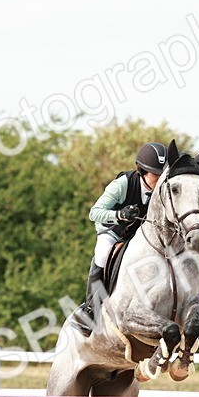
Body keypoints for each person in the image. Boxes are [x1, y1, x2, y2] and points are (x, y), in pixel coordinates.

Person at [71, 142, 167, 335]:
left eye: (162, 174)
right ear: (142, 171)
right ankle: (90, 309)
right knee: (102, 255)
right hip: (113, 233)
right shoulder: (123, 184)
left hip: (141, 238)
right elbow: (94, 212)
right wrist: (119, 215)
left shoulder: (163, 190)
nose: (160, 179)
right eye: (156, 174)